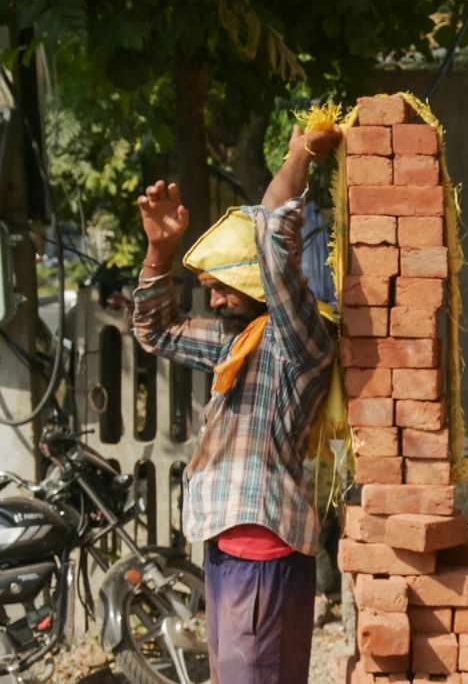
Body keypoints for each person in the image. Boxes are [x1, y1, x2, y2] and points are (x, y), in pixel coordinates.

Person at [132, 124, 341, 684]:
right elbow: (157, 331)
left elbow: (274, 235)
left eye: (224, 284)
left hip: (262, 554)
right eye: (208, 288)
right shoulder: (236, 342)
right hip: (229, 551)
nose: (216, 298)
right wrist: (159, 252)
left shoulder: (297, 341)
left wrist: (300, 157)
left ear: (257, 282)